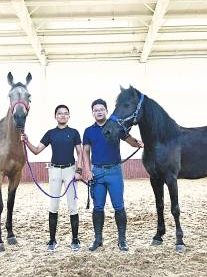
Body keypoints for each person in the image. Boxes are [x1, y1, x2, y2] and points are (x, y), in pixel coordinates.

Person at [82, 98, 144, 251]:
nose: (99, 112)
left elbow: (130, 141)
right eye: (96, 110)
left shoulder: (116, 127)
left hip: (115, 171)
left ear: (106, 111)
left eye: (101, 109)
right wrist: (87, 170)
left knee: (119, 206)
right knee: (98, 207)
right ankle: (98, 239)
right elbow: (85, 152)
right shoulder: (88, 131)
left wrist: (139, 143)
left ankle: (122, 240)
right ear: (92, 113)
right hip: (97, 172)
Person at [21, 105, 83, 251]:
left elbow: (80, 153)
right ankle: (52, 240)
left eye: (66, 113)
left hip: (70, 170)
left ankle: (75, 240)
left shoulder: (74, 133)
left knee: (72, 207)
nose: (63, 115)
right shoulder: (50, 133)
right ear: (55, 116)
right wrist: (26, 141)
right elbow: (36, 151)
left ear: (69, 116)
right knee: (53, 206)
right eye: (60, 113)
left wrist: (79, 170)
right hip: (54, 171)